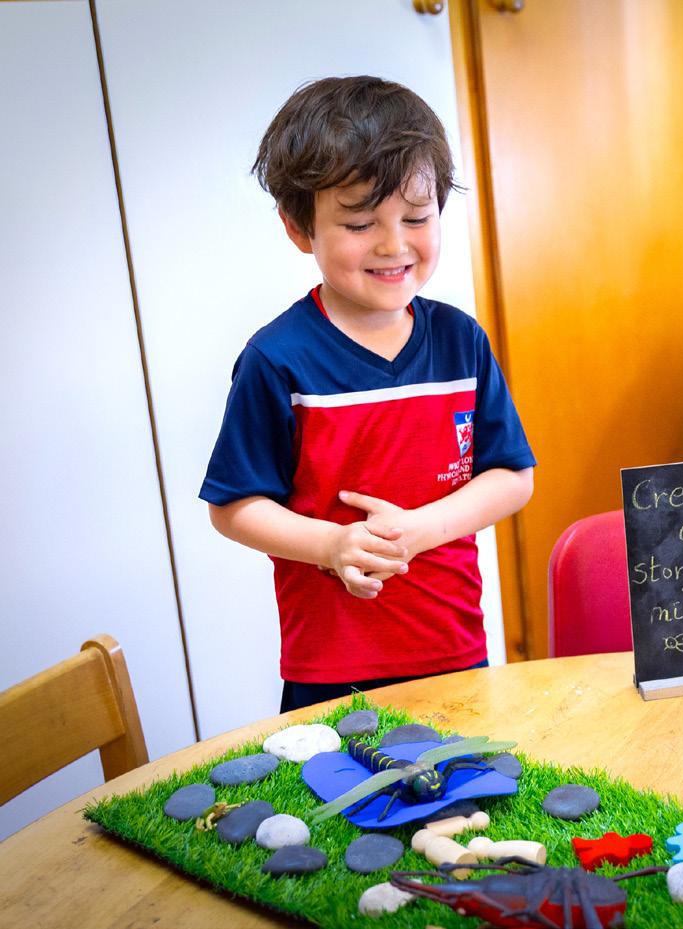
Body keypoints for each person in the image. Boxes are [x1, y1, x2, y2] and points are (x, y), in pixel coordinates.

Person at [201, 76, 535, 713]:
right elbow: (234, 506)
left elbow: (512, 477)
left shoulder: (460, 341)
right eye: (360, 223)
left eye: (417, 217)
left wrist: (421, 530)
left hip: (454, 649)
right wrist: (331, 546)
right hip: (332, 664)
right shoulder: (278, 358)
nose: (393, 244)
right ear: (299, 227)